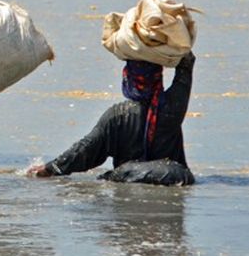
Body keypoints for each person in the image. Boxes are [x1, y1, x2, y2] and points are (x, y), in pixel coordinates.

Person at [28, 52, 196, 184]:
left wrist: (51, 168)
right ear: (157, 76)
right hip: (174, 176)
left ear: (128, 78)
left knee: (114, 177)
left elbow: (87, 149)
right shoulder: (173, 106)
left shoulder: (117, 116)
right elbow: (186, 67)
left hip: (131, 177)